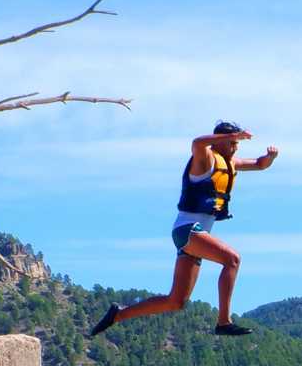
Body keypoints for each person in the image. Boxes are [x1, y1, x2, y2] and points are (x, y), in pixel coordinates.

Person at [90, 121, 279, 338]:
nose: (235, 147)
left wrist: (271, 157)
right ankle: (224, 322)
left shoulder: (230, 163)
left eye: (237, 144)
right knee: (232, 260)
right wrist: (233, 135)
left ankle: (118, 314)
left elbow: (260, 164)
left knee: (176, 301)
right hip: (188, 229)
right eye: (232, 143)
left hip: (195, 235)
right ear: (220, 141)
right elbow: (197, 142)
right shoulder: (204, 158)